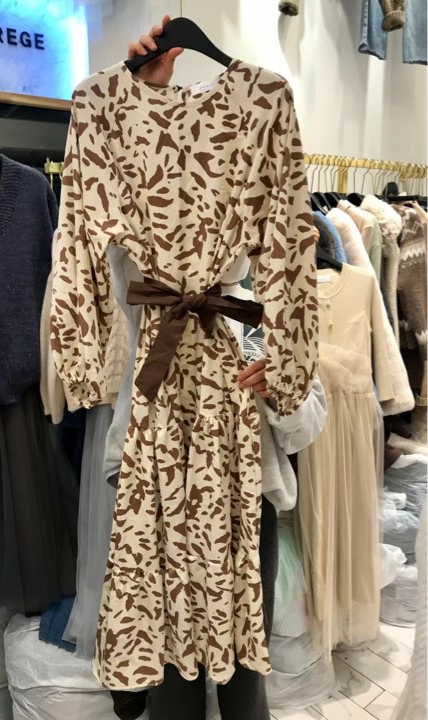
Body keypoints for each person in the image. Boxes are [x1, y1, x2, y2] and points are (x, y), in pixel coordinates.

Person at [109, 21, 327, 720]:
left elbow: (306, 417)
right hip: (159, 486)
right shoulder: (144, 295)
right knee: (173, 674)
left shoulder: (260, 302)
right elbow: (101, 247)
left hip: (244, 496)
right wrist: (141, 98)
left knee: (241, 675)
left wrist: (278, 379)